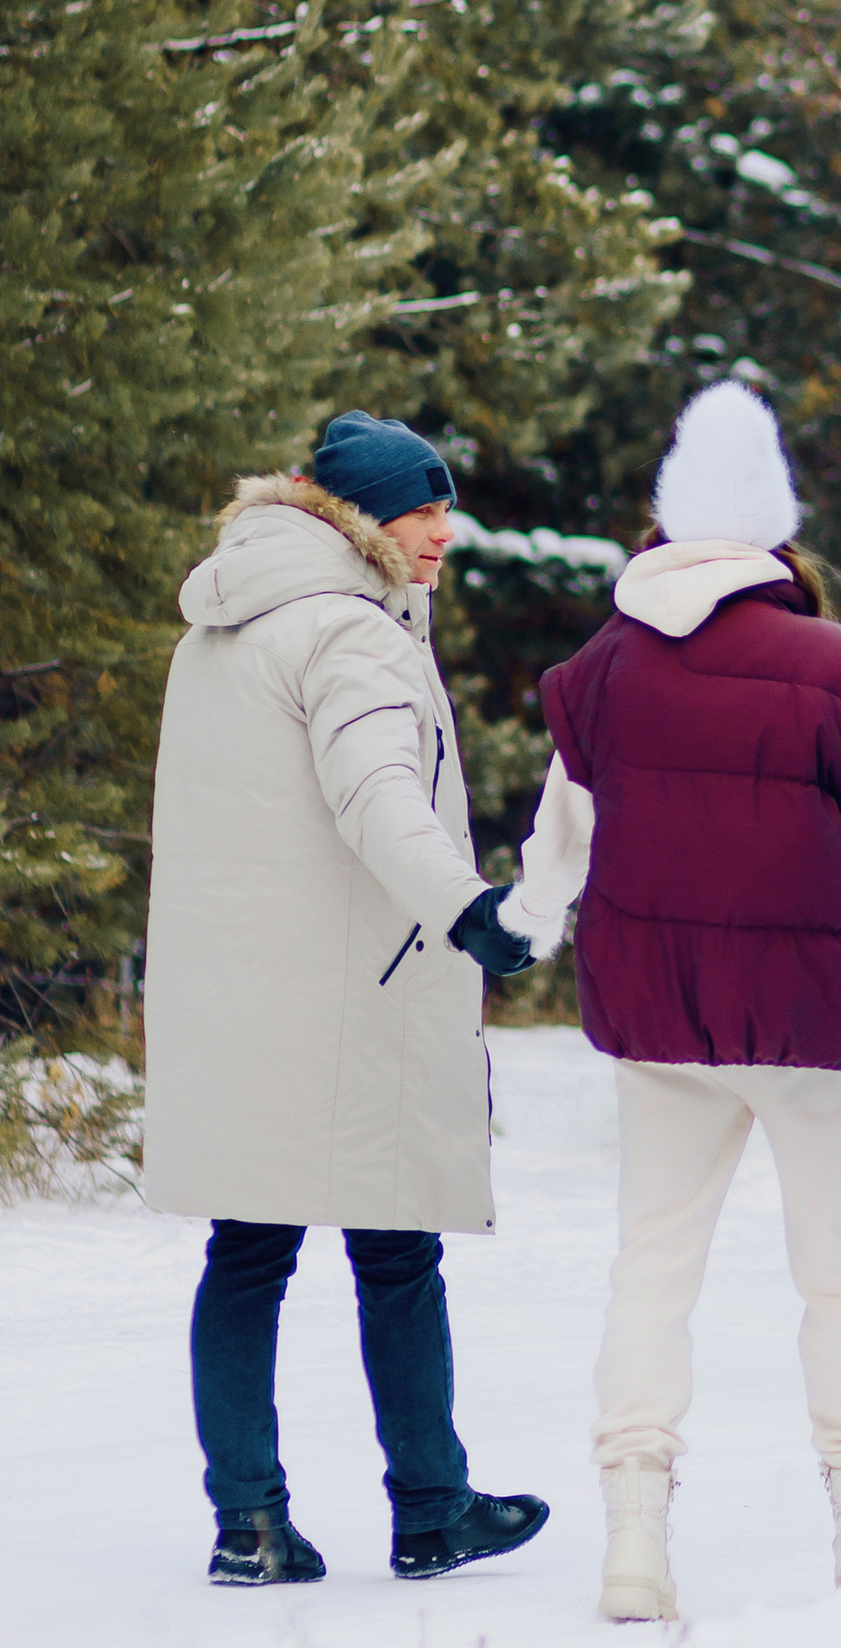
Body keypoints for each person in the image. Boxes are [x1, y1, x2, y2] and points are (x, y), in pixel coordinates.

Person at [501, 380, 841, 1622]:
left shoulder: (600, 674)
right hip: (821, 1025)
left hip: (661, 1019)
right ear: (774, 540)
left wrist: (528, 925)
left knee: (651, 1267)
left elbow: (558, 844)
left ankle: (633, 1546)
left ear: (665, 531)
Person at [143, 408, 552, 1588]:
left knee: (247, 1250)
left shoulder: (223, 625)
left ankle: (248, 1524)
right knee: (395, 1253)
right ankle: (430, 1508)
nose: (442, 531)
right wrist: (468, 909)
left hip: (237, 992)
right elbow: (379, 794)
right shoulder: (352, 636)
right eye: (423, 509)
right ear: (361, 518)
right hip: (346, 999)